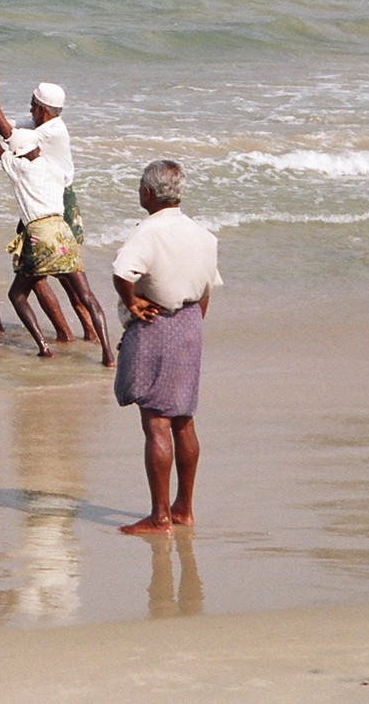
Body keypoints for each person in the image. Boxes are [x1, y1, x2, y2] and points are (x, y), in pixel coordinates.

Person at [110, 159, 222, 535]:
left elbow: (122, 272)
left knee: (156, 420)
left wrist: (132, 303)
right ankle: (184, 509)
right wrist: (191, 323)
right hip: (191, 322)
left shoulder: (149, 231)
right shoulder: (204, 235)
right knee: (184, 419)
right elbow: (207, 290)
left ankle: (159, 516)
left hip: (157, 322)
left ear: (147, 193)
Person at [0, 102, 114, 365]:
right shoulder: (56, 169)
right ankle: (107, 353)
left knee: (17, 294)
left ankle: (44, 346)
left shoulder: (20, 169)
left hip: (39, 235)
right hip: (62, 232)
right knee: (86, 295)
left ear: (20, 154)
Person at [0, 78, 95, 343]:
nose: (30, 110)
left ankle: (68, 332)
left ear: (42, 109)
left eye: (33, 106)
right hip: (48, 199)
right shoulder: (40, 123)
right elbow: (0, 124)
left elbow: (9, 138)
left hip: (51, 203)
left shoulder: (53, 130)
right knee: (63, 273)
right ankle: (82, 331)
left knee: (41, 274)